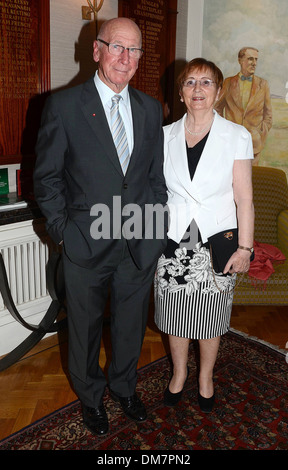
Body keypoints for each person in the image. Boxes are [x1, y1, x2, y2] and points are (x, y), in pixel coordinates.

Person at [34, 17, 168, 436]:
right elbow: (47, 178)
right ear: (97, 50)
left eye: (135, 51)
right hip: (85, 245)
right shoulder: (64, 105)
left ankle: (125, 387)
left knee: (129, 326)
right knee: (85, 330)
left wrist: (155, 225)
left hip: (138, 243)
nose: (126, 59)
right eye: (117, 47)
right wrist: (62, 232)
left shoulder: (150, 108)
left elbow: (153, 179)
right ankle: (91, 398)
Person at [154, 58, 254, 413]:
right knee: (174, 316)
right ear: (180, 93)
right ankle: (179, 374)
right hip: (173, 240)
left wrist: (246, 247)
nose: (198, 89)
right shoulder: (163, 135)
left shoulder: (236, 135)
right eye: (190, 82)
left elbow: (244, 196)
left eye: (206, 83)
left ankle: (205, 378)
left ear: (218, 91)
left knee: (210, 319)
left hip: (218, 241)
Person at [215, 47, 272, 165]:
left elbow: (268, 115)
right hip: (230, 142)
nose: (254, 63)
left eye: (256, 59)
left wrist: (260, 134)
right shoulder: (228, 82)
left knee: (253, 180)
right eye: (250, 59)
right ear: (240, 60)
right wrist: (224, 129)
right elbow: (217, 108)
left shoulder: (263, 84)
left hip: (254, 144)